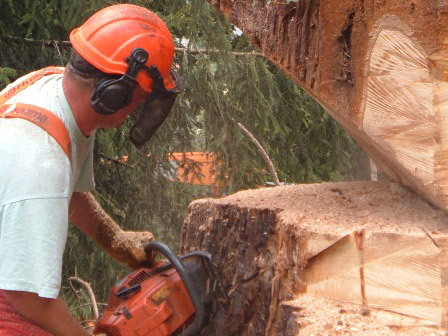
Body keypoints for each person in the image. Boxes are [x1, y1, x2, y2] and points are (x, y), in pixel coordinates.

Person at [0, 4, 181, 336]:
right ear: (113, 94)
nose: (139, 107)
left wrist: (111, 236)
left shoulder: (57, 91)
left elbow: (68, 192)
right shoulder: (41, 159)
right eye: (139, 99)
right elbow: (26, 296)